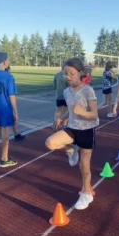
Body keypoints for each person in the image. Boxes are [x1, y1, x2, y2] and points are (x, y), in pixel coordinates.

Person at [45, 58, 99, 210]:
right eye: (66, 73)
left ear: (80, 73)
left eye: (72, 73)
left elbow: (94, 114)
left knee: (84, 166)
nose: (68, 77)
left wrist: (82, 112)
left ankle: (86, 193)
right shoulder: (66, 91)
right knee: (50, 143)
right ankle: (71, 150)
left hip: (87, 130)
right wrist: (61, 118)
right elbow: (70, 109)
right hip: (72, 128)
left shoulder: (88, 90)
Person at [0, 65, 24, 145]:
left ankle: (15, 134)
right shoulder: (8, 78)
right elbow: (11, 95)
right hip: (5, 104)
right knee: (4, 125)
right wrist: (15, 110)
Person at [53, 63, 69, 132]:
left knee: (58, 111)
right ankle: (64, 126)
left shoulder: (56, 75)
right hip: (66, 96)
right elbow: (69, 87)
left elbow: (54, 86)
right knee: (66, 111)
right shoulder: (67, 76)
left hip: (58, 96)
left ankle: (55, 123)